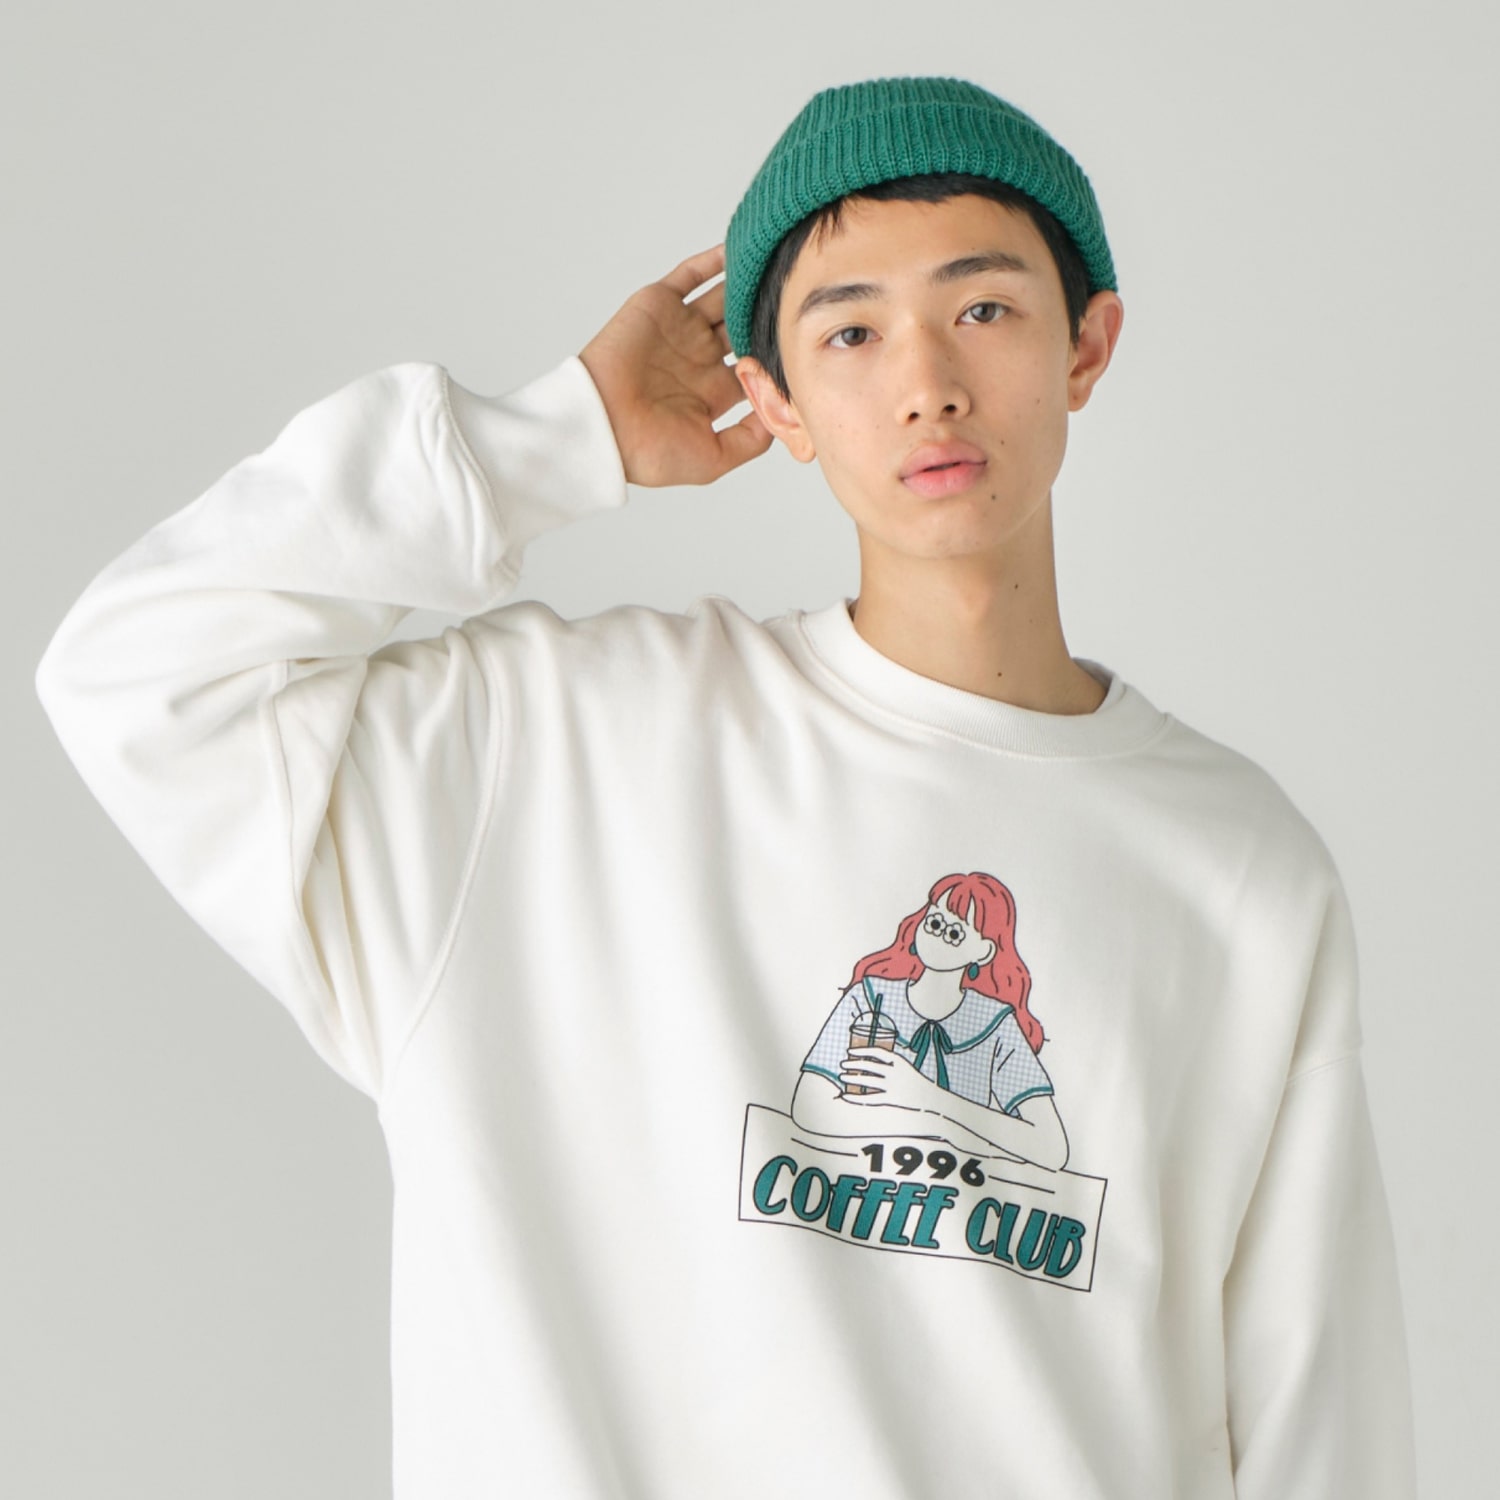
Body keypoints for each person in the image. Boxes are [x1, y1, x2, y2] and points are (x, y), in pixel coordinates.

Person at [35, 74, 1417, 1499]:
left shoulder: (1237, 869)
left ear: (1088, 344)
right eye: (852, 331)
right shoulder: (543, 756)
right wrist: (554, 440)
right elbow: (142, 669)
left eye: (985, 307)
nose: (928, 383)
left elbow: (1325, 1427)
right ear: (773, 400)